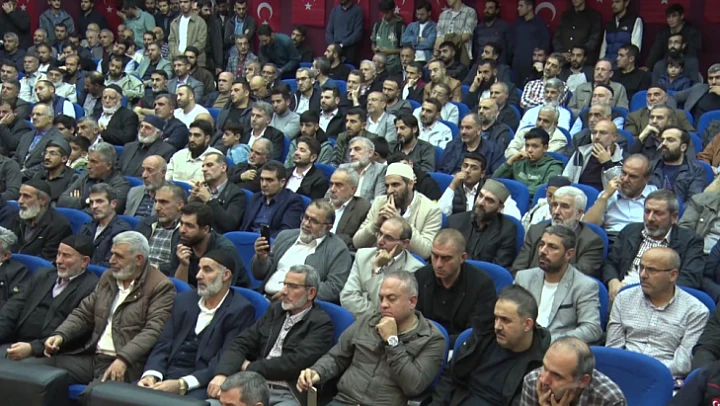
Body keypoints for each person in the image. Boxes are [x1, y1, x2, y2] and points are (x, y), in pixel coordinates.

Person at [40, 231, 175, 397]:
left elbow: (152, 331)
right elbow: (84, 313)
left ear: (139, 259)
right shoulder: (109, 277)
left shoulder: (160, 286)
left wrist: (124, 359)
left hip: (126, 364)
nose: (111, 260)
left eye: (119, 256)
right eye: (112, 254)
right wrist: (61, 335)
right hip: (92, 357)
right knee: (34, 371)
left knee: (91, 396)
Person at [297, 269, 446, 405]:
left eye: (391, 298)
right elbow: (336, 357)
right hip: (344, 401)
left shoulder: (432, 339)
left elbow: (413, 386)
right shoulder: (367, 321)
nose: (383, 305)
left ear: (412, 302)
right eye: (381, 298)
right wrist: (317, 371)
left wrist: (392, 341)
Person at [208, 265, 333, 405]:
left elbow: (292, 364)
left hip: (286, 392)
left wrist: (249, 367)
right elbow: (241, 342)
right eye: (284, 284)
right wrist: (222, 374)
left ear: (311, 293)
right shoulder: (275, 310)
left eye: (293, 287)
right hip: (250, 386)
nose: (284, 291)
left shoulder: (321, 324)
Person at [139, 249, 254, 399]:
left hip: (201, 384)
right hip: (165, 375)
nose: (198, 275)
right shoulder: (184, 300)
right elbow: (164, 343)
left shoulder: (240, 310)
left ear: (226, 275)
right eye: (199, 269)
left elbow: (225, 357)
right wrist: (152, 374)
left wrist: (182, 384)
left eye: (207, 270)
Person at [429, 285, 551, 405]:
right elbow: (450, 376)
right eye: (496, 318)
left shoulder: (540, 366)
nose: (497, 326)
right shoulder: (483, 335)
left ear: (527, 324)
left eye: (505, 320)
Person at [607, 246, 708, 378]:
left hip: (664, 378)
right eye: (641, 267)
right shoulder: (624, 298)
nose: (643, 275)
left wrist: (644, 373)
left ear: (673, 275)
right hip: (622, 373)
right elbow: (613, 348)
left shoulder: (696, 311)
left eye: (652, 270)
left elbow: (683, 364)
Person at [0, 234, 97, 360]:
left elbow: (75, 331)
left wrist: (33, 348)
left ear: (84, 261)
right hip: (15, 342)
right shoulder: (42, 275)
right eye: (58, 254)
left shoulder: (91, 287)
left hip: (52, 353)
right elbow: (13, 308)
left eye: (66, 256)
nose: (58, 261)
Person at [603, 189, 704, 301]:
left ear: (674, 217)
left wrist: (652, 293)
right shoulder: (630, 231)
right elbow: (610, 262)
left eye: (658, 213)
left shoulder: (690, 241)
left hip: (660, 298)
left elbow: (689, 279)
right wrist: (612, 280)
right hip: (622, 293)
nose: (650, 218)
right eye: (647, 211)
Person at [515, 225, 603, 344]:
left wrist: (550, 341)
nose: (543, 251)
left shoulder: (584, 286)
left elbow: (592, 329)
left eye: (552, 247)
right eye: (541, 244)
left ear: (569, 254)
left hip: (557, 348)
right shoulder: (523, 278)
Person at [251, 200, 352, 303]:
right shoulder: (285, 236)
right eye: (306, 217)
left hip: (297, 305)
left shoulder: (338, 251)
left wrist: (294, 293)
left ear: (328, 227)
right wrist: (261, 258)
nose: (306, 224)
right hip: (265, 298)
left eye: (314, 221)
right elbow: (259, 274)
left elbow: (333, 289)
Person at [417, 229, 498, 344]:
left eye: (446, 258)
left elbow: (477, 332)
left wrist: (438, 342)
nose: (438, 264)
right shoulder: (420, 277)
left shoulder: (482, 285)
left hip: (463, 347)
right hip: (423, 343)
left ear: (462, 258)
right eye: (435, 256)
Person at [354, 162, 442, 259]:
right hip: (378, 258)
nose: (390, 190)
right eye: (387, 186)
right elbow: (357, 243)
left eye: (395, 185)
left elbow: (426, 252)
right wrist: (376, 224)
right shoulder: (380, 202)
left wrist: (401, 222)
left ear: (410, 184)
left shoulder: (430, 210)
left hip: (408, 263)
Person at [513, 186, 605, 278]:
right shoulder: (536, 231)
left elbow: (579, 277)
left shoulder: (591, 242)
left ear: (579, 213)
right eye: (554, 205)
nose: (556, 212)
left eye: (564, 207)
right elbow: (517, 269)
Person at [340, 216, 423, 317]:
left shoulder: (413, 269)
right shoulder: (362, 256)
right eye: (380, 233)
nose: (380, 241)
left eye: (389, 238)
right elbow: (347, 297)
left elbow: (385, 308)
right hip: (360, 322)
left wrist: (376, 269)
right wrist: (376, 315)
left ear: (405, 243)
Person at [520, 337, 626, 406]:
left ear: (583, 381)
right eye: (545, 367)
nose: (544, 380)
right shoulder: (532, 381)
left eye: (557, 375)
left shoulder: (609, 399)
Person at [445, 178, 519, 268]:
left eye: (489, 200)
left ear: (500, 208)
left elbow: (498, 268)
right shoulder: (454, 222)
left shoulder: (507, 230)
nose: (481, 203)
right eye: (480, 196)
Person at [584, 154, 658, 236]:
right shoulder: (609, 193)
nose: (625, 179)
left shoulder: (656, 197)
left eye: (632, 176)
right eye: (623, 173)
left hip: (643, 238)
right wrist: (604, 197)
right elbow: (587, 227)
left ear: (646, 179)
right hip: (613, 238)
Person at [57, 142, 131, 214]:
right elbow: (62, 200)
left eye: (94, 162)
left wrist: (76, 204)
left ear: (108, 165)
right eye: (88, 160)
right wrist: (84, 201)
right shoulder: (85, 176)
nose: (88, 166)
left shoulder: (121, 185)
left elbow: (102, 211)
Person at [493, 127, 564, 198]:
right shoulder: (519, 160)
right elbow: (493, 181)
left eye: (535, 146)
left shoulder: (553, 166)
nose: (529, 150)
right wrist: (510, 161)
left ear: (545, 148)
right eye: (527, 146)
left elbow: (546, 190)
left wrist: (514, 191)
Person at [239, 161, 304, 238]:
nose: (264, 184)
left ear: (282, 182)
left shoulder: (293, 201)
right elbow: (244, 227)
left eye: (269, 180)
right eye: (262, 179)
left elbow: (285, 234)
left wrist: (262, 239)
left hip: (271, 242)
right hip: (248, 240)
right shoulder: (255, 198)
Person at [186, 152, 246, 233]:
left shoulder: (237, 194)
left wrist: (209, 200)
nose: (204, 169)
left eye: (209, 165)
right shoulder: (201, 188)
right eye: (203, 166)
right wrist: (192, 200)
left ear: (223, 167)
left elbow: (230, 225)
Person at [78, 184, 132, 267]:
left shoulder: (122, 232)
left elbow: (111, 265)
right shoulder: (87, 227)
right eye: (91, 202)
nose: (94, 206)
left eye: (99, 201)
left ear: (113, 204)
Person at [563, 119, 624, 192]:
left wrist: (608, 163)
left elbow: (621, 188)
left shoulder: (623, 158)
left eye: (603, 133)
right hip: (577, 195)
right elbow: (566, 177)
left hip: (606, 197)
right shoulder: (581, 153)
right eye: (594, 132)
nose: (597, 137)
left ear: (614, 137)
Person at [647, 127, 706, 202]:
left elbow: (693, 202)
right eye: (662, 140)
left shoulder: (696, 170)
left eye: (670, 140)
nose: (663, 143)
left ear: (683, 147)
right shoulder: (649, 167)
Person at [15, 104, 66, 180]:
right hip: (16, 176)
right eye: (32, 115)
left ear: (50, 118)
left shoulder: (57, 138)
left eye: (38, 114)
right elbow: (16, 157)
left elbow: (46, 164)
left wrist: (20, 174)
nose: (34, 117)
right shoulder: (27, 136)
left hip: (38, 179)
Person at [645, 4, 702, 70]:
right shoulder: (663, 32)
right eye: (668, 17)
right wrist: (648, 66)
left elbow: (692, 54)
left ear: (682, 16)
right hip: (666, 66)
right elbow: (656, 51)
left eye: (674, 16)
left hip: (685, 67)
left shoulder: (693, 33)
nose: (670, 20)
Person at [336, 136, 387, 203]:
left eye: (357, 149)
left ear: (370, 153)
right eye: (350, 150)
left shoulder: (380, 170)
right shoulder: (343, 168)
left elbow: (378, 201)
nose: (351, 154)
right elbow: (331, 195)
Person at [31, 139, 73, 203]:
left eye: (53, 154)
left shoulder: (72, 178)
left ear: (64, 159)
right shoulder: (39, 175)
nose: (47, 157)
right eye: (45, 153)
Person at [168, 0, 207, 65]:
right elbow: (171, 41)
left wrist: (187, 55)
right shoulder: (174, 22)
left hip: (195, 62)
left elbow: (201, 43)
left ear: (192, 3)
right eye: (181, 2)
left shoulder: (200, 22)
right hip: (176, 60)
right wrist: (178, 54)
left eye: (186, 2)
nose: (182, 4)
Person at [325, 0, 364, 66]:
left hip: (348, 49)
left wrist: (342, 45)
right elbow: (329, 30)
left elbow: (358, 34)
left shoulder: (358, 11)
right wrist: (333, 45)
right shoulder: (335, 10)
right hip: (334, 48)